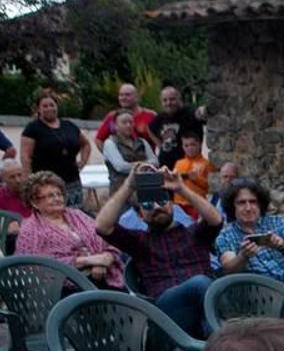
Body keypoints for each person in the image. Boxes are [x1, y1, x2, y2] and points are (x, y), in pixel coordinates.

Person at [96, 165, 222, 337]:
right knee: (200, 283)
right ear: (140, 215)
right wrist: (129, 185)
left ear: (172, 206)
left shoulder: (194, 233)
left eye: (162, 201)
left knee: (207, 291)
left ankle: (213, 342)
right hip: (168, 311)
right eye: (147, 204)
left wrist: (181, 189)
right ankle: (220, 341)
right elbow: (102, 226)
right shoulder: (139, 241)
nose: (156, 207)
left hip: (204, 302)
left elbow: (215, 220)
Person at [213, 178, 284, 305]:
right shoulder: (226, 236)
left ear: (260, 204)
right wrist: (243, 256)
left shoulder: (279, 222)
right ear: (232, 207)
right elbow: (228, 267)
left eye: (253, 202)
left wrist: (281, 245)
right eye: (241, 203)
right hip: (262, 291)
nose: (248, 208)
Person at [15, 171, 122, 289]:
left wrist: (104, 260)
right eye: (50, 196)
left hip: (103, 274)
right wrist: (89, 261)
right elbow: (38, 265)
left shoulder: (78, 215)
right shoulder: (30, 229)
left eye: (59, 194)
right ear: (35, 202)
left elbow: (107, 239)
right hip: (61, 287)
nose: (57, 198)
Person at [21, 91, 91, 207]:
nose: (49, 108)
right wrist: (29, 180)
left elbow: (85, 144)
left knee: (74, 215)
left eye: (52, 105)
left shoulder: (69, 125)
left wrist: (83, 161)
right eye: (45, 106)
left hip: (72, 181)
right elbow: (25, 156)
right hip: (46, 183)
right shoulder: (32, 129)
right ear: (38, 109)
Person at [101, 109, 158, 194]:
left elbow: (155, 162)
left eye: (131, 122)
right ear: (116, 125)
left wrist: (135, 165)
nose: (128, 125)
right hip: (120, 192)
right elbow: (121, 167)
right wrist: (145, 165)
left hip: (144, 189)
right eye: (124, 122)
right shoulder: (110, 143)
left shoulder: (142, 142)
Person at [149, 86, 206, 169]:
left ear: (179, 99)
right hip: (166, 167)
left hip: (190, 167)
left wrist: (203, 111)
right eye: (165, 100)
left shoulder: (189, 113)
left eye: (172, 99)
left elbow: (199, 114)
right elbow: (150, 128)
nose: (168, 103)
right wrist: (160, 145)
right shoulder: (160, 118)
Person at [93, 83, 157, 152]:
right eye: (121, 95)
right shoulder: (112, 117)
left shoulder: (150, 116)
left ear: (137, 97)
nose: (123, 98)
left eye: (127, 95)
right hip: (121, 161)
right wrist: (111, 156)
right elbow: (99, 139)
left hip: (147, 160)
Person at [0, 159, 32, 236]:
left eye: (19, 175)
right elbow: (0, 225)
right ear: (3, 179)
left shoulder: (34, 192)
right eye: (12, 177)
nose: (17, 180)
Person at [174, 131, 214, 218]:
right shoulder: (178, 163)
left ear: (199, 144)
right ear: (182, 147)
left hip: (196, 205)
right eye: (186, 145)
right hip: (179, 204)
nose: (190, 148)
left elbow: (210, 187)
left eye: (193, 145)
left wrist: (196, 179)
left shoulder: (206, 164)